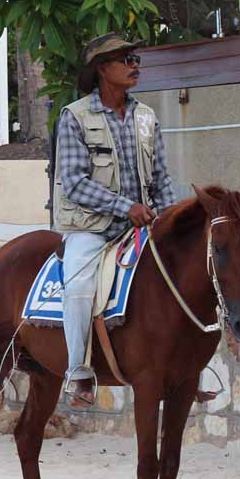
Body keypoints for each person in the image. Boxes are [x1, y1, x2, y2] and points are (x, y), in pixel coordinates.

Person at [53, 34, 178, 408]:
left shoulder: (146, 117)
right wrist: (125, 207)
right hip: (91, 229)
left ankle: (191, 370)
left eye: (135, 58)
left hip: (142, 228)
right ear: (101, 70)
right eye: (125, 59)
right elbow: (74, 181)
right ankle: (79, 373)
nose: (134, 65)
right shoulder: (74, 116)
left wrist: (171, 219)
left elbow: (161, 178)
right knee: (78, 286)